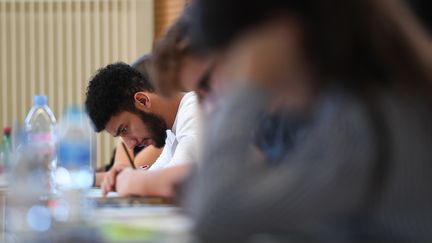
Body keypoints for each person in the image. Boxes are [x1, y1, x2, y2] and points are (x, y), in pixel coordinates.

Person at [178, 0, 432, 242]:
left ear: (278, 38)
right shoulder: (348, 106)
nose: (228, 79)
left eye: (234, 61)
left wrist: (245, 89)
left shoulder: (363, 120)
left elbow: (215, 215)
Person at [85, 55, 200, 196]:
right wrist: (120, 177)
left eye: (124, 129)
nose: (130, 145)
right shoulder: (171, 133)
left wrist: (128, 179)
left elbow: (176, 183)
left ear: (142, 101)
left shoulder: (195, 110)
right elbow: (156, 177)